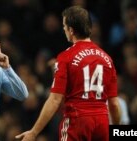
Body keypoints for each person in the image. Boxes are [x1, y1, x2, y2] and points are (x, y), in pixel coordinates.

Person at [16, 6, 121, 141]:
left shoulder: (66, 57)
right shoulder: (107, 59)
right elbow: (114, 104)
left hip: (77, 121)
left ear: (71, 30)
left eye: (64, 26)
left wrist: (34, 132)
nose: (64, 29)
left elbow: (54, 100)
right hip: (102, 122)